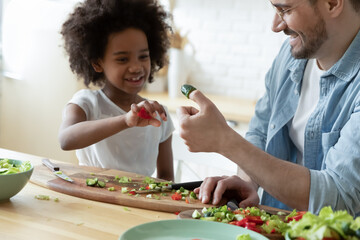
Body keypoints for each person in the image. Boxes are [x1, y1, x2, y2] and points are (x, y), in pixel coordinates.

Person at [177, 0, 360, 216]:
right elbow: (261, 132)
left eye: (285, 10)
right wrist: (247, 183)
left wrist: (225, 141)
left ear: (332, 3)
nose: (275, 25)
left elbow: (340, 198)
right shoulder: (291, 54)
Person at [59, 0, 174, 181]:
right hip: (93, 201)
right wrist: (126, 120)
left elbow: (167, 178)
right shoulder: (87, 103)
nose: (136, 67)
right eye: (122, 59)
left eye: (143, 56)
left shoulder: (158, 114)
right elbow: (66, 140)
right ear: (97, 63)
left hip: (140, 204)